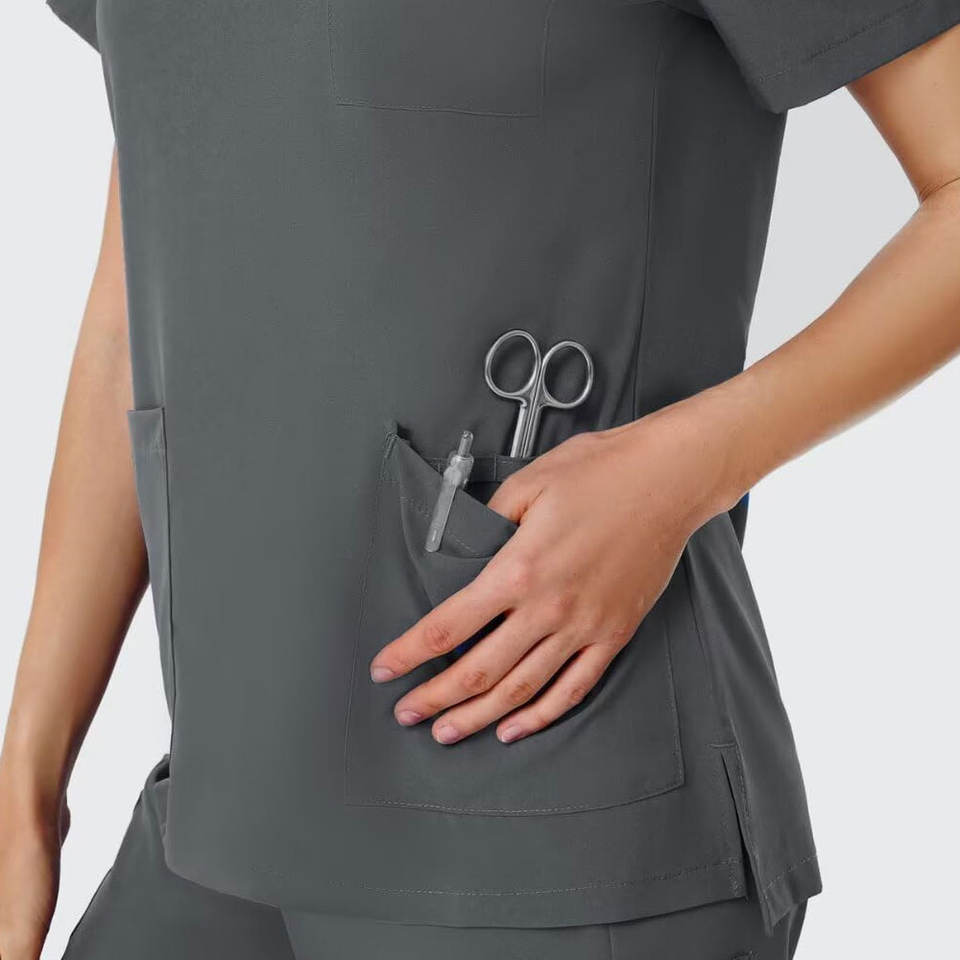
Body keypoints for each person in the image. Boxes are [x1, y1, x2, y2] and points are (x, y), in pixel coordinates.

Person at [2, 1, 960, 957]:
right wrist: (28, 773)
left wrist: (683, 469)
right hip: (223, 808)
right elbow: (146, 286)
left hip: (546, 810)